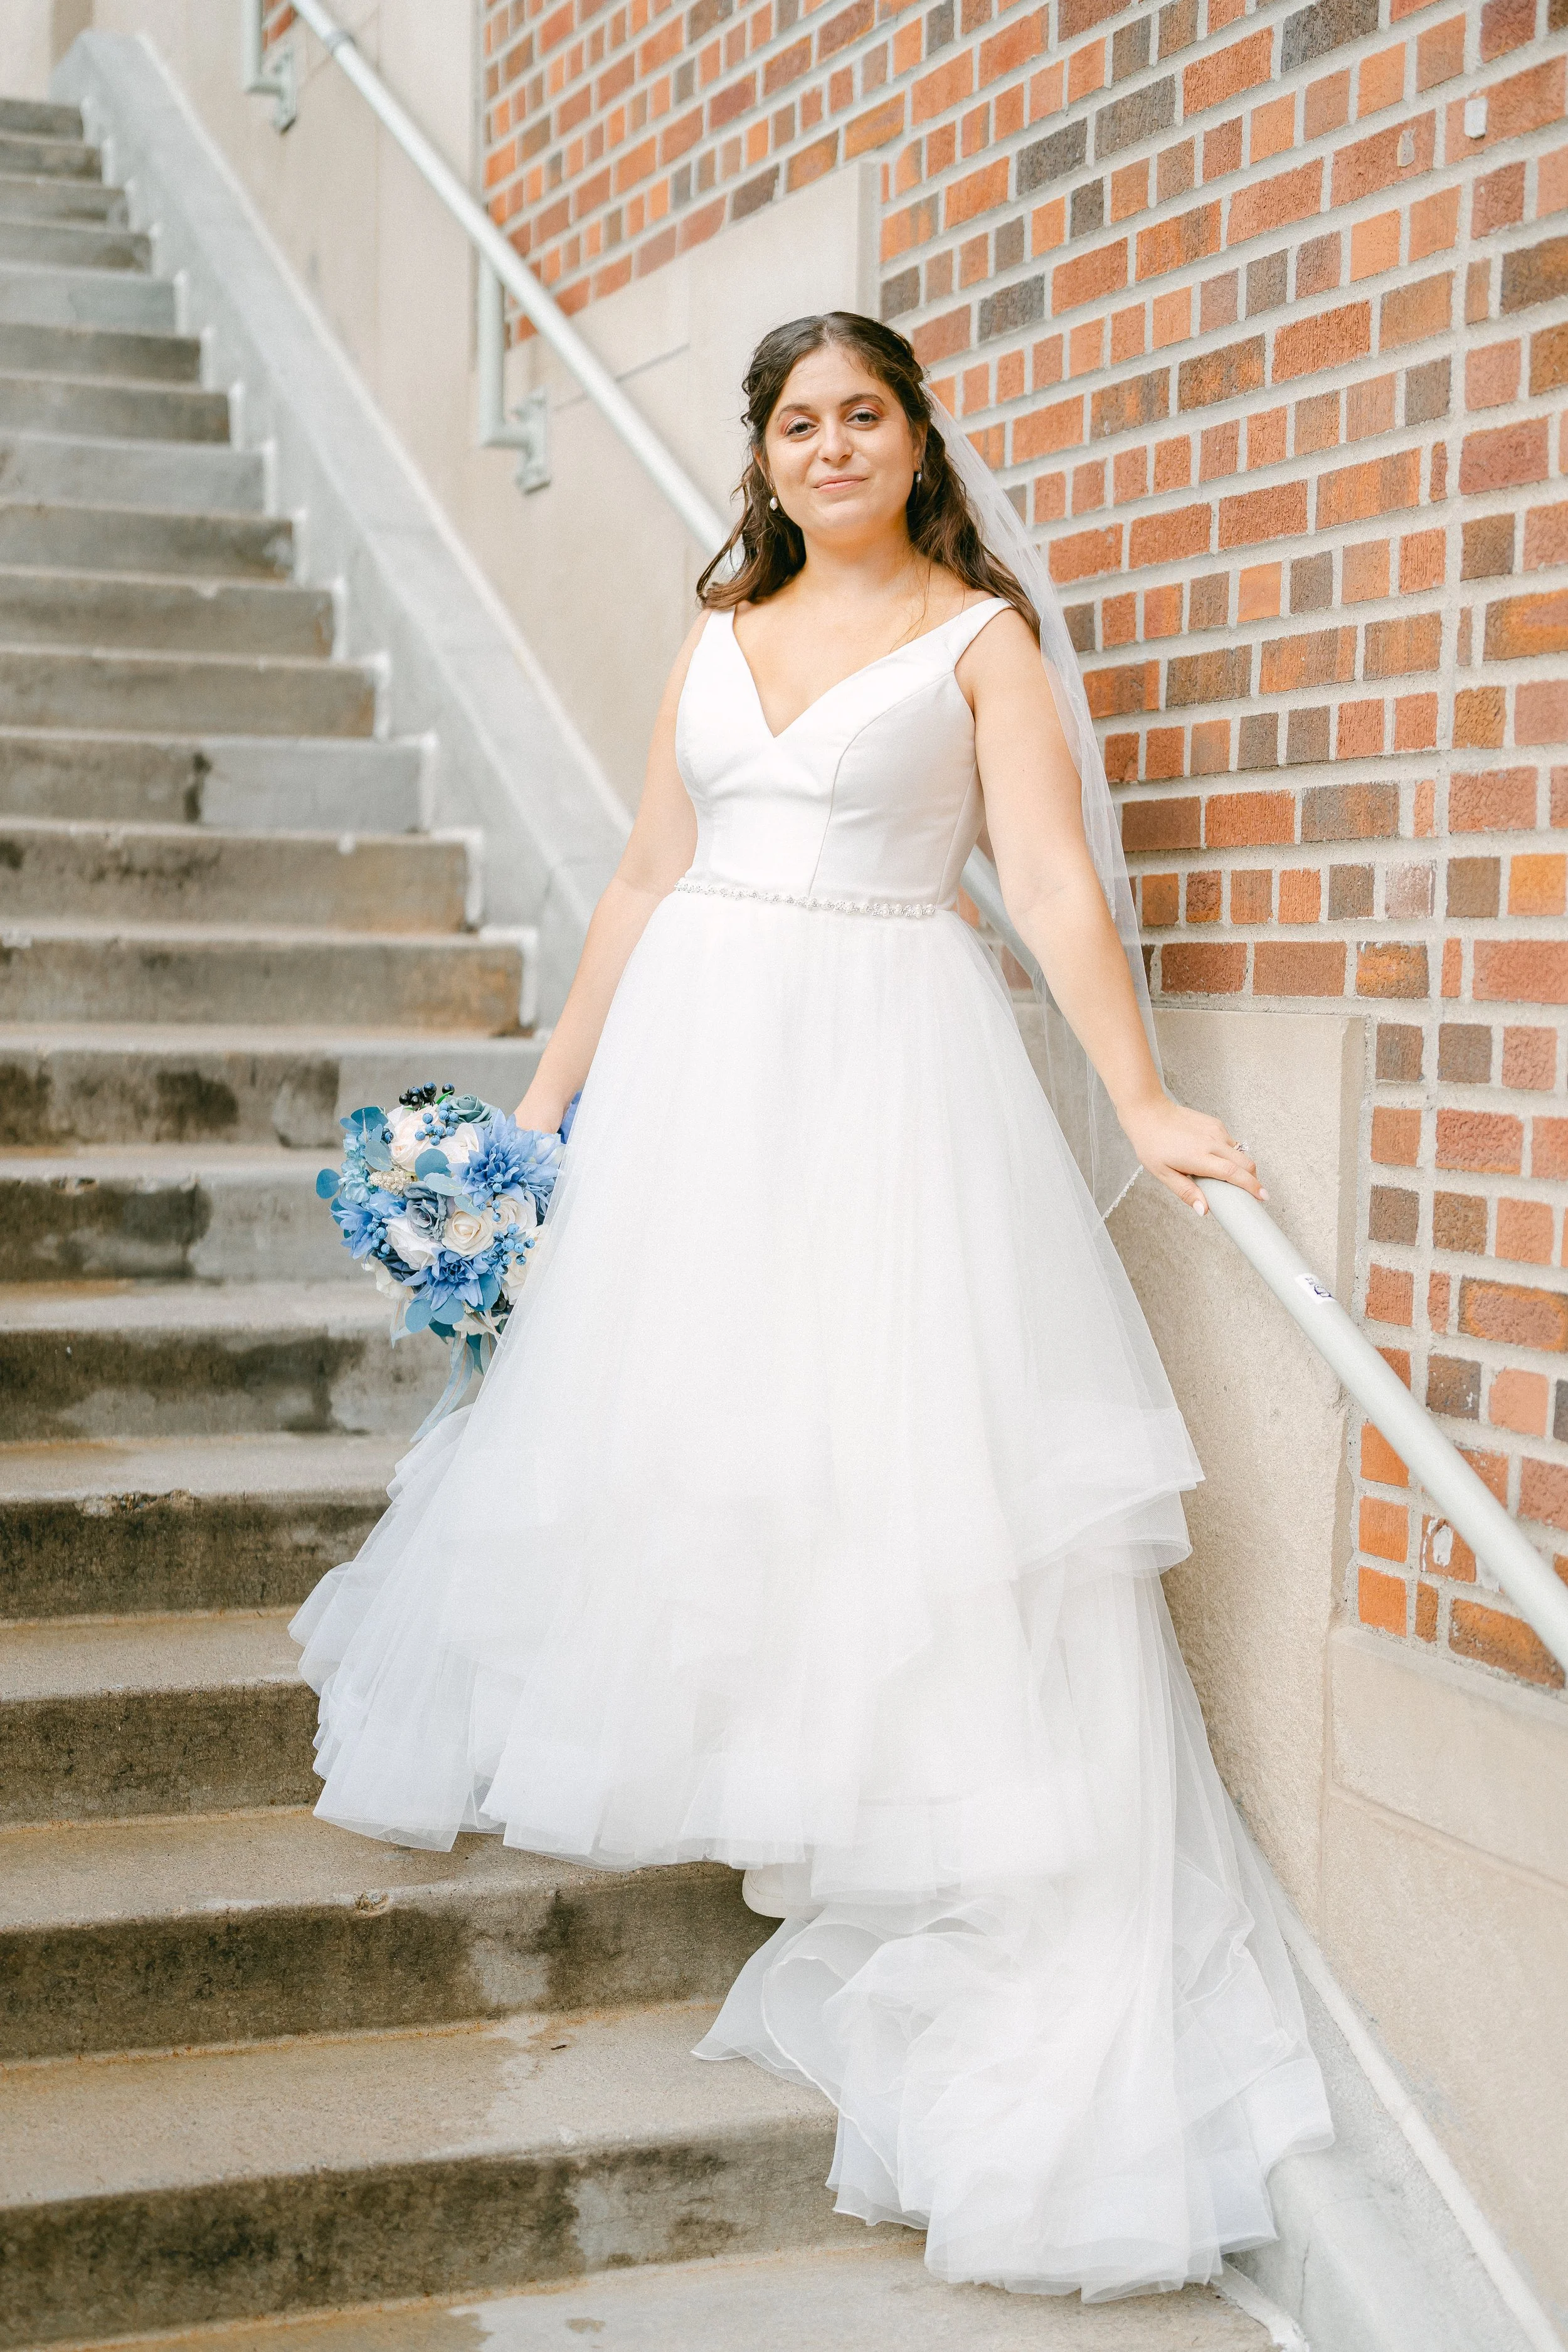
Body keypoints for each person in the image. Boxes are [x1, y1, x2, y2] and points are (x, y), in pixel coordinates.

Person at [293, 310, 1331, 2302]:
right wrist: (532, 1120)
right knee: (706, 1423)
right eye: (797, 419)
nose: (830, 442)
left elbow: (1045, 885)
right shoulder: (715, 627)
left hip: (877, 1067)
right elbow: (633, 882)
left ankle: (907, 1807)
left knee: (888, 1434)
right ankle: (759, 1752)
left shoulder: (976, 640)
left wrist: (1142, 1097)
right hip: (693, 1075)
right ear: (760, 455)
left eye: (864, 413)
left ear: (915, 438)